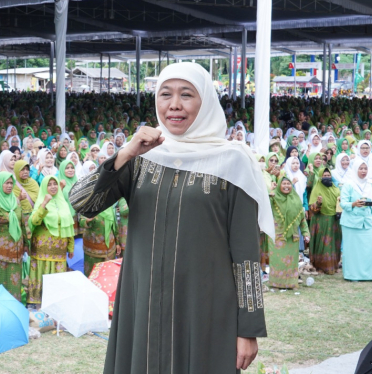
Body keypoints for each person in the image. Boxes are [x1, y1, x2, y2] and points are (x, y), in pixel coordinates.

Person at [69, 63, 270, 373]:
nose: (174, 104)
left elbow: (246, 255)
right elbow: (81, 202)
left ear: (205, 102)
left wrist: (248, 329)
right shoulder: (141, 158)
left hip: (205, 309)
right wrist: (125, 153)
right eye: (165, 94)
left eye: (186, 94)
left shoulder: (233, 161)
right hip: (144, 307)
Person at [339, 159, 372, 284]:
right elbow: (343, 203)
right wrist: (354, 204)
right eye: (361, 169)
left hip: (367, 221)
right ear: (355, 169)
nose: (363, 171)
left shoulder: (370, 184)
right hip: (351, 222)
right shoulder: (348, 184)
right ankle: (353, 275)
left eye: (365, 168)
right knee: (353, 250)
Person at [28, 176, 74, 305]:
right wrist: (44, 204)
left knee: (57, 277)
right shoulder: (40, 202)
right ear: (44, 187)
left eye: (55, 184)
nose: (53, 187)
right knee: (42, 275)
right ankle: (38, 304)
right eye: (49, 184)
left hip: (60, 250)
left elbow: (68, 224)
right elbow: (34, 221)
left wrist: (70, 246)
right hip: (42, 249)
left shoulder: (62, 202)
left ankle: (55, 304)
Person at [0, 172, 28, 301]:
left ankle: (13, 309)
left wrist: (26, 244)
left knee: (14, 283)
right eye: (6, 183)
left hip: (16, 251)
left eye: (11, 183)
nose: (9, 186)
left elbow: (22, 223)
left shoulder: (15, 201)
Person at [268, 178, 309, 289]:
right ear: (279, 186)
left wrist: (306, 233)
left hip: (292, 238)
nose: (286, 186)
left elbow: (302, 219)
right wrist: (270, 191)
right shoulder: (273, 197)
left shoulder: (296, 200)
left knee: (290, 261)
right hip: (277, 237)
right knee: (278, 261)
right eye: (284, 184)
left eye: (288, 184)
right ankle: (276, 283)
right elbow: (265, 205)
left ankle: (290, 283)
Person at [308, 168, 342, 274]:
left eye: (328, 175)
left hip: (334, 219)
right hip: (321, 219)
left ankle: (333, 265)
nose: (327, 177)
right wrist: (318, 203)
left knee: (334, 243)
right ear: (320, 177)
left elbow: (340, 203)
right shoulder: (317, 189)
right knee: (322, 244)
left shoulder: (335, 189)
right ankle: (321, 266)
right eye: (325, 175)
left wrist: (339, 210)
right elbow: (312, 208)